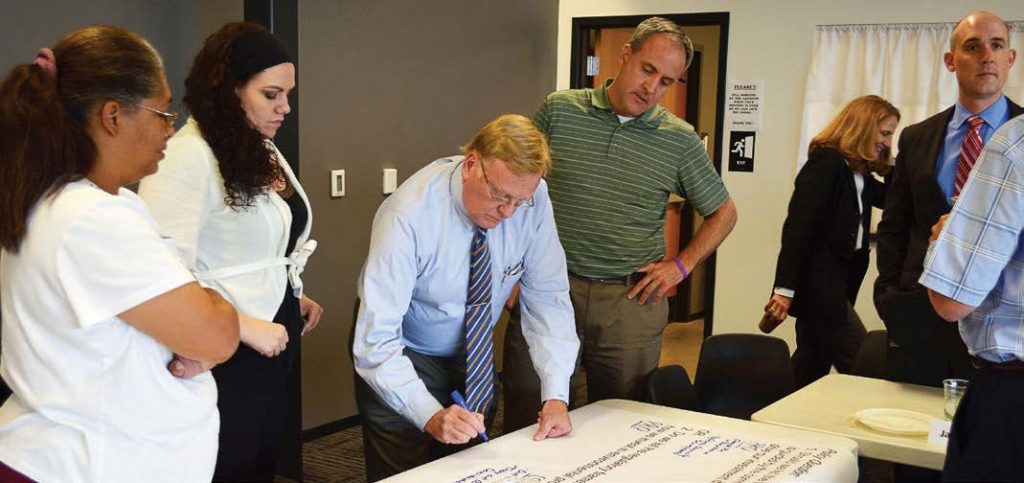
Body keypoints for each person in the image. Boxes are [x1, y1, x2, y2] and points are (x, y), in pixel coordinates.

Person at [0, 26, 239, 482]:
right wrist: (214, 311)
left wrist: (198, 315)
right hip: (87, 462)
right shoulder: (89, 218)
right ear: (112, 116)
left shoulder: (90, 203)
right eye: (163, 111)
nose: (170, 127)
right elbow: (216, 335)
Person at [503, 16, 737, 432]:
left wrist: (680, 266)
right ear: (626, 54)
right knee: (529, 415)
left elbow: (724, 212)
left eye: (666, 81)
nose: (652, 88)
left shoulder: (678, 139)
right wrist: (508, 274)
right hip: (548, 289)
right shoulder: (560, 110)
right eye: (648, 70)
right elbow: (516, 187)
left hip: (630, 302)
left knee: (620, 427)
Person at [138, 22, 321, 482]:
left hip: (274, 330)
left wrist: (288, 291)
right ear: (230, 89)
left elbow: (260, 243)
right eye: (271, 95)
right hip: (225, 341)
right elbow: (162, 271)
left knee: (263, 456)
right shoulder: (188, 155)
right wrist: (244, 326)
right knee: (225, 464)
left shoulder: (260, 148)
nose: (285, 108)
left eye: (287, 95)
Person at [352, 114, 579, 481]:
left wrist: (555, 395)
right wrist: (429, 413)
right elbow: (375, 341)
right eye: (500, 196)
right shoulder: (408, 216)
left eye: (519, 201)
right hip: (403, 347)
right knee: (403, 473)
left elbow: (548, 299)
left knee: (471, 467)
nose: (508, 213)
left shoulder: (532, 199)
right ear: (472, 164)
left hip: (472, 349)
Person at [875, 10, 1019, 390]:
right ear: (951, 61)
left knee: (986, 442)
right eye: (972, 47)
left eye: (997, 45)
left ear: (1011, 58)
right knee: (907, 439)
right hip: (918, 318)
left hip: (1001, 334)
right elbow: (894, 225)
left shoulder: (1022, 141)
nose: (986, 55)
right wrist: (889, 297)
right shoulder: (918, 137)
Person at [762, 95, 899, 388]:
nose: (888, 142)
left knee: (811, 365)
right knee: (865, 366)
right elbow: (798, 228)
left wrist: (887, 167)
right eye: (885, 133)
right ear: (863, 127)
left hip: (839, 285)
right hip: (820, 288)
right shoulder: (827, 164)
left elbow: (895, 200)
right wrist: (784, 290)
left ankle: (776, 420)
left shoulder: (857, 172)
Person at [920, 113, 1024, 480]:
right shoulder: (922, 137)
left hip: (1011, 405)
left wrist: (941, 242)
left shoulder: (1015, 145)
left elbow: (951, 302)